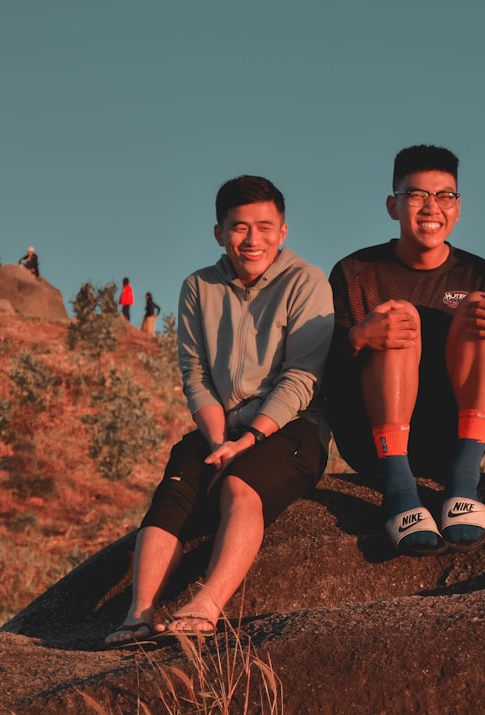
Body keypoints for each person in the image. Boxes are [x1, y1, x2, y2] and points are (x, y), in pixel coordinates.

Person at [104, 175, 334, 646]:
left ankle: (207, 606)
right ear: (219, 232)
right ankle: (139, 614)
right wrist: (217, 443)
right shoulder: (199, 287)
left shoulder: (306, 282)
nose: (253, 240)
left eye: (266, 227)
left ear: (284, 231)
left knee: (238, 482)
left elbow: (302, 375)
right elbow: (196, 377)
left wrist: (246, 443)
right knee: (172, 495)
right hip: (220, 428)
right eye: (239, 227)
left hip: (290, 427)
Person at [323, 145, 485, 556]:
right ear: (393, 205)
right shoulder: (354, 272)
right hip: (375, 442)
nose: (430, 207)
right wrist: (356, 339)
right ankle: (400, 490)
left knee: (481, 309)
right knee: (398, 317)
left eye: (444, 196)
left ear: (458, 208)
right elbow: (323, 380)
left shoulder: (484, 276)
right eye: (416, 195)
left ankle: (463, 482)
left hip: (454, 440)